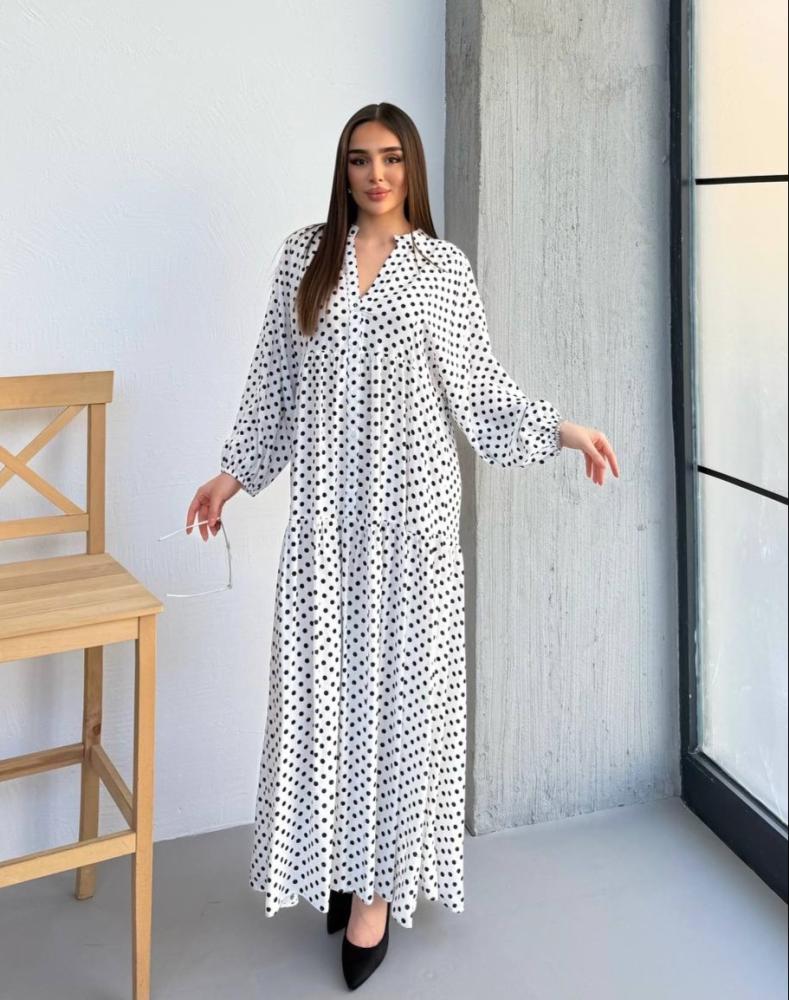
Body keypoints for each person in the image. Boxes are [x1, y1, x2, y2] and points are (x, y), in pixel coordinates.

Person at [186, 102, 619, 991]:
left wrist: (562, 429)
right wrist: (230, 476)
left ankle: (377, 891)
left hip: (414, 524)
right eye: (359, 159)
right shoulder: (304, 257)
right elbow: (273, 383)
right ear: (342, 170)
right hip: (327, 523)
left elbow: (481, 393)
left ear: (411, 166)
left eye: (390, 158)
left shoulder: (440, 269)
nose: (376, 174)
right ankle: (335, 865)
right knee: (326, 700)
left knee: (401, 707)